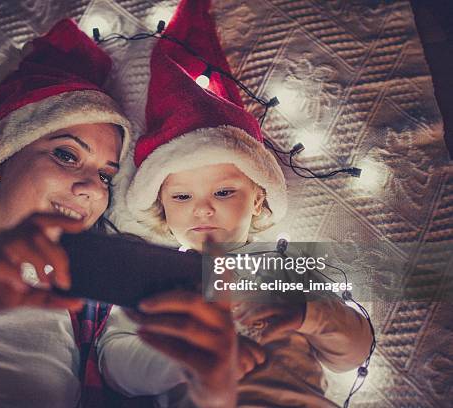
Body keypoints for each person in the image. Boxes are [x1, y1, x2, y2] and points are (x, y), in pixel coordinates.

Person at [0, 18, 239, 408]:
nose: (90, 189)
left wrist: (212, 389)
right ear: (1, 161)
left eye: (105, 175)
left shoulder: (104, 284)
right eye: (67, 155)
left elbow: (258, 277)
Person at [123, 0, 374, 406]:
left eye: (223, 192)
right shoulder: (154, 274)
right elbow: (119, 366)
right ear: (161, 207)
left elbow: (354, 352)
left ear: (258, 200)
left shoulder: (280, 266)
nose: (202, 209)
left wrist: (307, 314)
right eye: (182, 196)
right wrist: (192, 357)